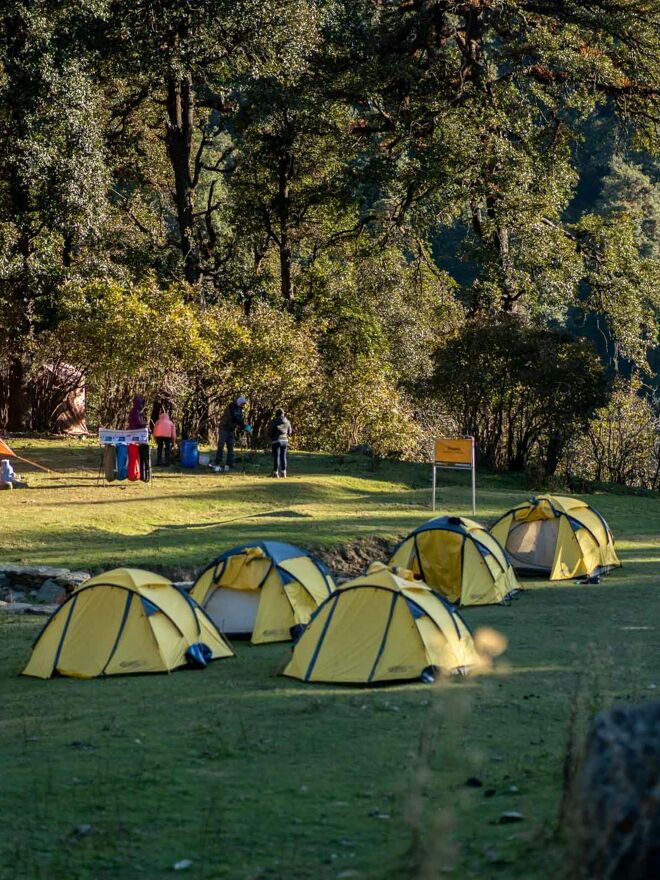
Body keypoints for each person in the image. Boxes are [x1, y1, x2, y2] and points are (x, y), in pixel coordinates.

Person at [214, 395, 248, 471]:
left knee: (230, 447)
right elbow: (235, 417)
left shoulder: (239, 409)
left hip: (231, 430)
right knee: (221, 446)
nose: (243, 405)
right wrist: (243, 425)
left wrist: (244, 426)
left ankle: (230, 463)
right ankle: (217, 462)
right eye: (242, 403)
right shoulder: (231, 406)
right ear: (239, 402)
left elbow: (240, 419)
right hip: (224, 428)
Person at [269, 408, 292, 478]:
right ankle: (283, 472)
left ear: (276, 414)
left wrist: (271, 437)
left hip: (276, 440)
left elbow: (270, 431)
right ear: (283, 414)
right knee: (283, 457)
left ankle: (275, 473)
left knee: (276, 457)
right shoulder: (287, 421)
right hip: (285, 440)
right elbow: (290, 432)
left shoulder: (274, 421)